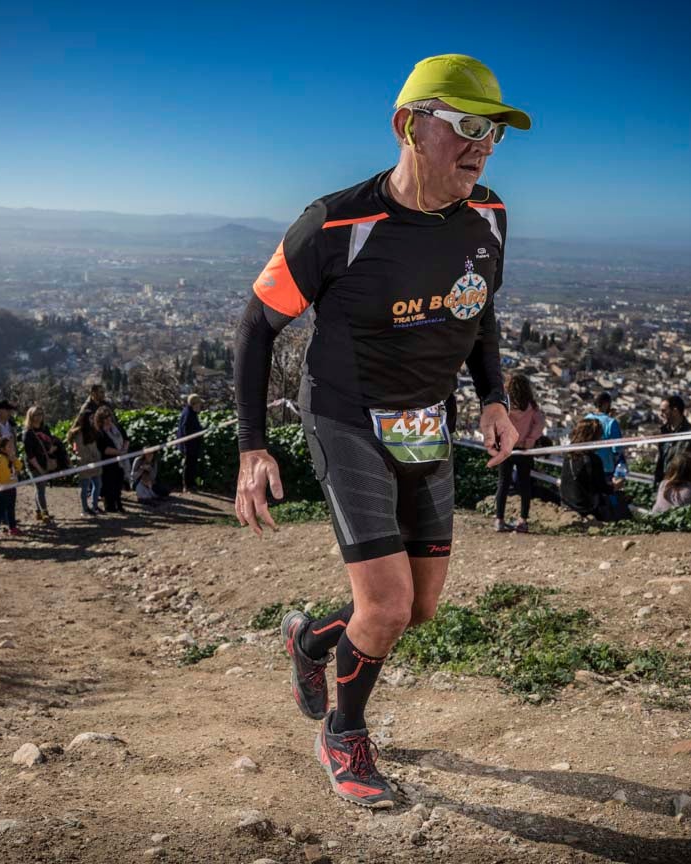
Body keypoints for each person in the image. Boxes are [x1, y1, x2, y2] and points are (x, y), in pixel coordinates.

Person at [233, 54, 529, 808]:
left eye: (492, 131)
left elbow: (479, 305)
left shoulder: (490, 214)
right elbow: (255, 328)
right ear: (408, 126)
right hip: (345, 416)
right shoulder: (336, 222)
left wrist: (493, 396)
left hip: (428, 420)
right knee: (390, 606)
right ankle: (345, 733)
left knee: (417, 608)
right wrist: (251, 447)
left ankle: (309, 638)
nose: (482, 145)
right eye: (464, 126)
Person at [494, 373, 545, 533]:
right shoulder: (532, 407)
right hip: (524, 449)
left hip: (506, 448)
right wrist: (529, 441)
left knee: (503, 483)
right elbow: (540, 423)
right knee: (525, 485)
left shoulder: (504, 405)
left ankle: (499, 520)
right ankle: (522, 520)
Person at [560, 419, 627, 521]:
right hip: (586, 508)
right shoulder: (593, 460)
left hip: (567, 504)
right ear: (593, 438)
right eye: (599, 436)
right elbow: (601, 488)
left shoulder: (568, 456)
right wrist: (616, 485)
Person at [654, 394, 691, 490]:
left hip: (681, 489)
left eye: (664, 411)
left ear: (675, 411)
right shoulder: (664, 432)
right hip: (663, 485)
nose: (660, 414)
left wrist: (687, 481)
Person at [21, 405, 60, 524]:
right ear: (30, 417)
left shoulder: (45, 429)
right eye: (36, 415)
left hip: (44, 462)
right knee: (40, 489)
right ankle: (44, 512)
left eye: (40, 414)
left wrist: (52, 449)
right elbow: (30, 456)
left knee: (40, 488)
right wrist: (39, 469)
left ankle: (38, 512)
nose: (39, 417)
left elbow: (49, 443)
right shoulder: (27, 433)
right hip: (34, 465)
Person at [0, 436, 23, 541]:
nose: (12, 447)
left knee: (11, 508)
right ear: (2, 448)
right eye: (9, 446)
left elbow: (19, 466)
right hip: (1, 488)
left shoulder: (11, 457)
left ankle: (12, 528)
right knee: (0, 510)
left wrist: (14, 459)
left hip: (12, 486)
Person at [68, 409, 103, 515]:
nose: (93, 420)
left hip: (95, 462)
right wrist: (89, 460)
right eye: (91, 418)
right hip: (84, 463)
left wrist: (97, 458)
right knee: (85, 486)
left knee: (98, 484)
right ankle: (85, 508)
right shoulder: (78, 433)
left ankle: (95, 505)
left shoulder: (93, 430)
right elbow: (80, 450)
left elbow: (94, 447)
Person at [94, 407, 129, 513]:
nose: (108, 419)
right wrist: (119, 452)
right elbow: (104, 449)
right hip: (108, 463)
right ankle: (109, 506)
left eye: (109, 416)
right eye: (105, 418)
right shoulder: (99, 432)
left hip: (120, 462)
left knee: (118, 484)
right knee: (109, 485)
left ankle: (119, 504)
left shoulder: (117, 427)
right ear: (100, 419)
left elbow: (126, 439)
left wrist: (124, 449)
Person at [177, 394, 205, 493]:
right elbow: (186, 431)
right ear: (194, 404)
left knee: (192, 465)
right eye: (199, 404)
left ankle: (191, 484)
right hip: (188, 445)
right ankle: (187, 486)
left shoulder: (191, 413)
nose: (200, 406)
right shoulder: (188, 414)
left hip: (193, 445)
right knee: (188, 465)